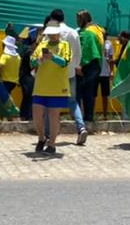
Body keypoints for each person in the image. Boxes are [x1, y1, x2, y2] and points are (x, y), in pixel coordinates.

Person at [46, 9, 85, 142]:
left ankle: (47, 134)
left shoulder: (50, 33)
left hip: (53, 74)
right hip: (70, 73)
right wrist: (74, 66)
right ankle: (81, 128)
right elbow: (78, 54)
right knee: (73, 102)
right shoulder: (73, 32)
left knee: (50, 103)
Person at [30, 25, 71, 155]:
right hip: (41, 86)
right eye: (50, 34)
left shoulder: (65, 45)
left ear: (59, 34)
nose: (52, 36)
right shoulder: (42, 44)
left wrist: (53, 57)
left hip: (57, 87)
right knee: (36, 114)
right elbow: (31, 61)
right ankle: (41, 138)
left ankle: (52, 144)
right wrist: (38, 60)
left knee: (54, 115)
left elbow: (65, 62)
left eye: (55, 34)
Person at [75, 11, 103, 145]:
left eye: (78, 18)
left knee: (79, 94)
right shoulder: (96, 30)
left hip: (86, 64)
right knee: (89, 94)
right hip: (95, 65)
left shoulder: (86, 33)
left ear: (83, 19)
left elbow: (85, 49)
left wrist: (80, 64)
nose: (76, 20)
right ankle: (88, 119)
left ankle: (81, 122)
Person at [0, 35, 21, 119]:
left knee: (4, 99)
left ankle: (14, 111)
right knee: (5, 98)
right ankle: (7, 116)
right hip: (14, 82)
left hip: (4, 80)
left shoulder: (5, 56)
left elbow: (0, 66)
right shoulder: (18, 57)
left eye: (3, 44)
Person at [99, 31, 117, 119]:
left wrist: (111, 71)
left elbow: (111, 58)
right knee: (92, 94)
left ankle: (105, 114)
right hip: (95, 72)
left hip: (105, 73)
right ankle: (90, 114)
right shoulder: (96, 42)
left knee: (105, 95)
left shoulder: (108, 43)